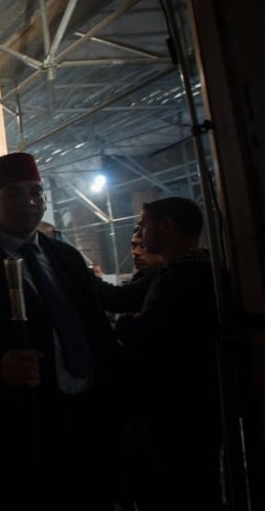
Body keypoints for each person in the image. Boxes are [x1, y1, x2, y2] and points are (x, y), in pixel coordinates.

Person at [0, 152, 121, 510]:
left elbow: (96, 327)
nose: (30, 202)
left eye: (37, 192)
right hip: (16, 422)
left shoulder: (66, 258)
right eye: (16, 193)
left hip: (85, 416)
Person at [118, 197, 221, 509]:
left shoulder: (185, 276)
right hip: (181, 404)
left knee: (180, 486)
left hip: (179, 406)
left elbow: (149, 334)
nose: (140, 234)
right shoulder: (180, 270)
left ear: (166, 226)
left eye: (144, 226)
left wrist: (126, 325)